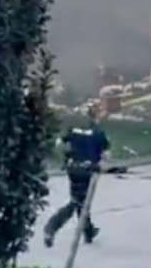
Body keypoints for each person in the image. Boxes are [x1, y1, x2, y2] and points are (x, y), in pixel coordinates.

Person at [43, 105, 110, 248]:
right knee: (77, 203)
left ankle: (88, 231)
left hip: (73, 169)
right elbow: (106, 155)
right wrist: (100, 165)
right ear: (96, 116)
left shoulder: (74, 130)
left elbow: (60, 143)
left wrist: (65, 160)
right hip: (87, 170)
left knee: (81, 201)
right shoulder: (98, 133)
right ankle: (51, 228)